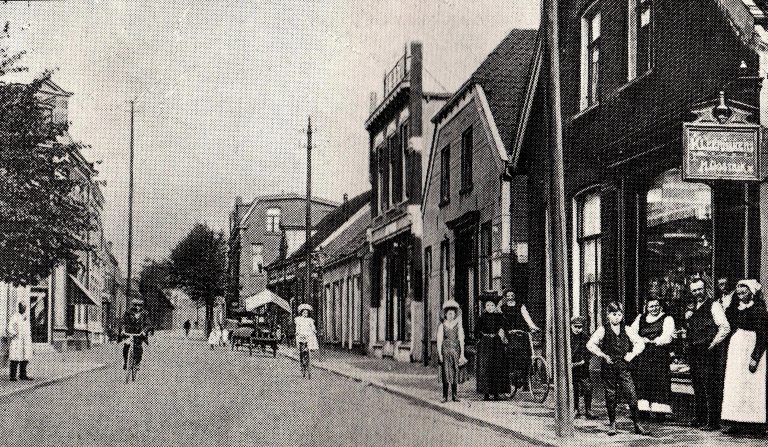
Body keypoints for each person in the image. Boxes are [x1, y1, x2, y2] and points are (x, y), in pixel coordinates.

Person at [587, 301, 648, 436]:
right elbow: (590, 344)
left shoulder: (627, 329)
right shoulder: (603, 329)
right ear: (608, 315)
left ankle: (637, 424)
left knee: (631, 393)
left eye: (619, 314)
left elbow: (640, 343)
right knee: (610, 395)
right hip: (608, 367)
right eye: (614, 314)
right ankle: (612, 424)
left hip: (624, 366)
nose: (617, 317)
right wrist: (603, 355)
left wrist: (631, 355)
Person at [720, 280, 767, 437]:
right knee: (736, 384)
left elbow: (763, 334)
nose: (740, 296)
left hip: (750, 346)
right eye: (738, 293)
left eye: (743, 292)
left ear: (751, 292)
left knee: (752, 385)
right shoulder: (735, 308)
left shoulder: (759, 309)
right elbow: (728, 322)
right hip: (737, 350)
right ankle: (736, 421)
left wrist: (755, 356)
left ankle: (754, 424)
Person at [685, 277, 730, 430]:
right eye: (694, 290)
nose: (697, 292)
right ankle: (700, 417)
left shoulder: (714, 305)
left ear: (706, 289)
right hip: (694, 350)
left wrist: (713, 343)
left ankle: (713, 421)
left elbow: (725, 327)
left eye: (700, 289)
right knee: (697, 384)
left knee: (710, 386)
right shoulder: (692, 307)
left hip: (708, 351)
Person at [630, 297, 675, 421]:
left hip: (659, 354)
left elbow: (668, 336)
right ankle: (643, 411)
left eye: (656, 306)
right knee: (642, 381)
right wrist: (640, 340)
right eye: (651, 306)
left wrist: (654, 341)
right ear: (646, 307)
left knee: (659, 381)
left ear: (660, 306)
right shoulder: (640, 318)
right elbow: (632, 333)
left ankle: (660, 412)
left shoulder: (667, 318)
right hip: (643, 355)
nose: (654, 308)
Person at [498, 290, 540, 389]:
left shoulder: (521, 306)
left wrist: (533, 327)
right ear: (505, 297)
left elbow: (527, 318)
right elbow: (500, 322)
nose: (510, 297)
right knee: (512, 356)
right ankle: (514, 379)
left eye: (512, 295)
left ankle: (526, 381)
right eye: (508, 296)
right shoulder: (502, 308)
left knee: (526, 356)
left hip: (521, 333)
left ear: (515, 296)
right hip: (509, 334)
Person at [475, 297, 509, 401]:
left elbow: (505, 327)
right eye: (488, 305)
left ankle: (496, 393)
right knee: (486, 368)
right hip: (485, 344)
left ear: (495, 307)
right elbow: (477, 330)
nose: (490, 308)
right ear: (485, 307)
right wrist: (481, 336)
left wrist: (502, 332)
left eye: (492, 305)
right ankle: (486, 393)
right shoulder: (482, 317)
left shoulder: (500, 317)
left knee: (497, 367)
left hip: (497, 344)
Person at [437, 300, 466, 403]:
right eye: (448, 313)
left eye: (452, 314)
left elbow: (461, 339)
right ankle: (445, 395)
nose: (450, 315)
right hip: (445, 351)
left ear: (455, 315)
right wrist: (440, 353)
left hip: (455, 351)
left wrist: (462, 354)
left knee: (455, 372)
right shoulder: (442, 326)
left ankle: (454, 395)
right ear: (445, 314)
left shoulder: (458, 326)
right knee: (446, 372)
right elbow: (439, 340)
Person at [570, 316, 594, 419]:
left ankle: (588, 410)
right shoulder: (567, 338)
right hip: (571, 367)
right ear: (571, 326)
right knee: (574, 389)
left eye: (580, 327)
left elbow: (590, 350)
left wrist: (584, 360)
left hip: (583, 367)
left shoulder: (585, 337)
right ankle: (576, 409)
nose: (578, 329)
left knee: (588, 387)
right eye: (576, 326)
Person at [7, 302, 33, 381]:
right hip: (17, 340)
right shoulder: (15, 316)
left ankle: (23, 375)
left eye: (24, 307)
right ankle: (12, 376)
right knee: (15, 358)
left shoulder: (26, 317)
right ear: (19, 308)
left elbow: (28, 329)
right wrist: (14, 333)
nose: (23, 309)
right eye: (22, 307)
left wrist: (29, 339)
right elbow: (9, 327)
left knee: (25, 358)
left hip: (25, 340)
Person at [121, 298, 149, 370]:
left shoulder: (144, 313)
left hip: (139, 333)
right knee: (126, 346)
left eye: (139, 305)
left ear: (141, 306)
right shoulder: (128, 312)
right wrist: (123, 330)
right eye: (135, 305)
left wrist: (144, 331)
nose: (137, 307)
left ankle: (137, 363)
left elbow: (148, 324)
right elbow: (123, 322)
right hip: (129, 333)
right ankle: (126, 361)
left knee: (138, 347)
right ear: (133, 305)